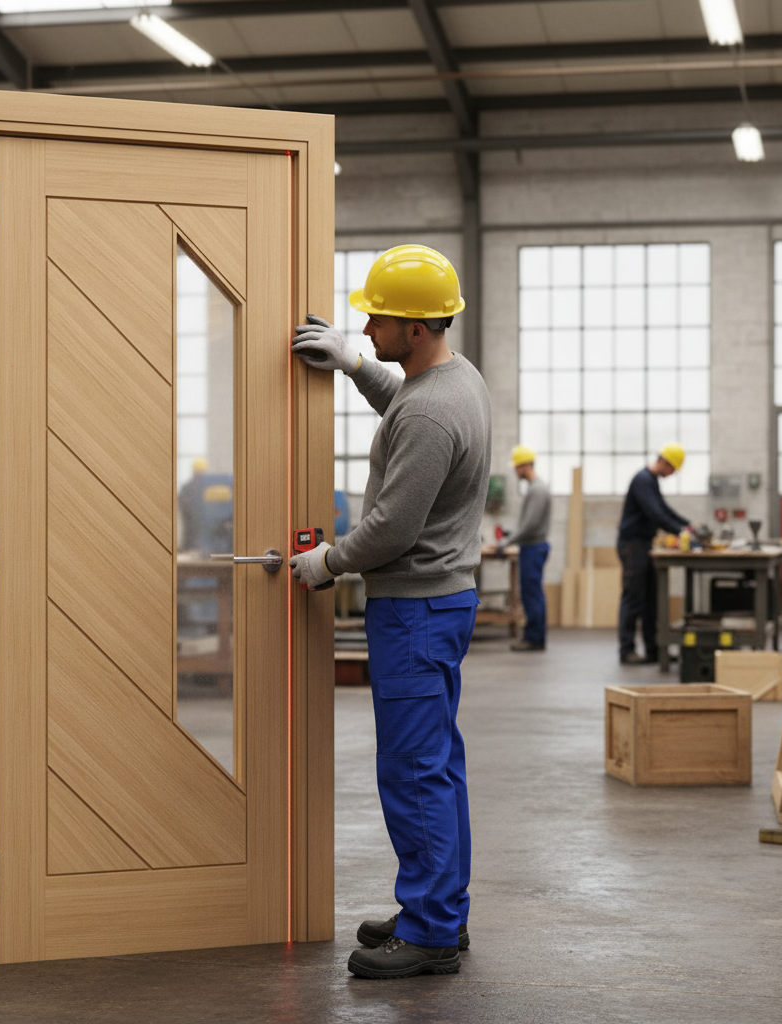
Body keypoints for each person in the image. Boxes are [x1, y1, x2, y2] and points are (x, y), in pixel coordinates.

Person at [289, 245, 491, 980]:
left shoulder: (434, 410)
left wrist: (329, 562)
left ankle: (432, 931)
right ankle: (441, 910)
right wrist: (356, 365)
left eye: (379, 320)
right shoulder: (451, 378)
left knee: (412, 772)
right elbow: (408, 415)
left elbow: (393, 528)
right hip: (440, 603)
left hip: (415, 610)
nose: (367, 325)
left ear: (418, 327)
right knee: (436, 767)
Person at [617, 444, 691, 665]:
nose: (672, 474)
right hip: (633, 545)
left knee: (651, 600)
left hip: (644, 545)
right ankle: (626, 650)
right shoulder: (642, 480)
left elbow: (664, 509)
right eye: (673, 469)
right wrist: (681, 531)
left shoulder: (651, 481)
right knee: (633, 598)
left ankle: (653, 650)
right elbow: (655, 513)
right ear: (665, 462)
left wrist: (689, 526)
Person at [500, 445, 551, 651]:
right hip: (532, 547)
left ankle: (534, 638)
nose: (515, 471)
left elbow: (530, 525)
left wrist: (507, 542)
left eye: (517, 467)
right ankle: (533, 635)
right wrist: (512, 536)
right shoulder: (535, 487)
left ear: (525, 466)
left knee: (532, 595)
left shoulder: (537, 489)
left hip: (533, 548)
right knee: (531, 593)